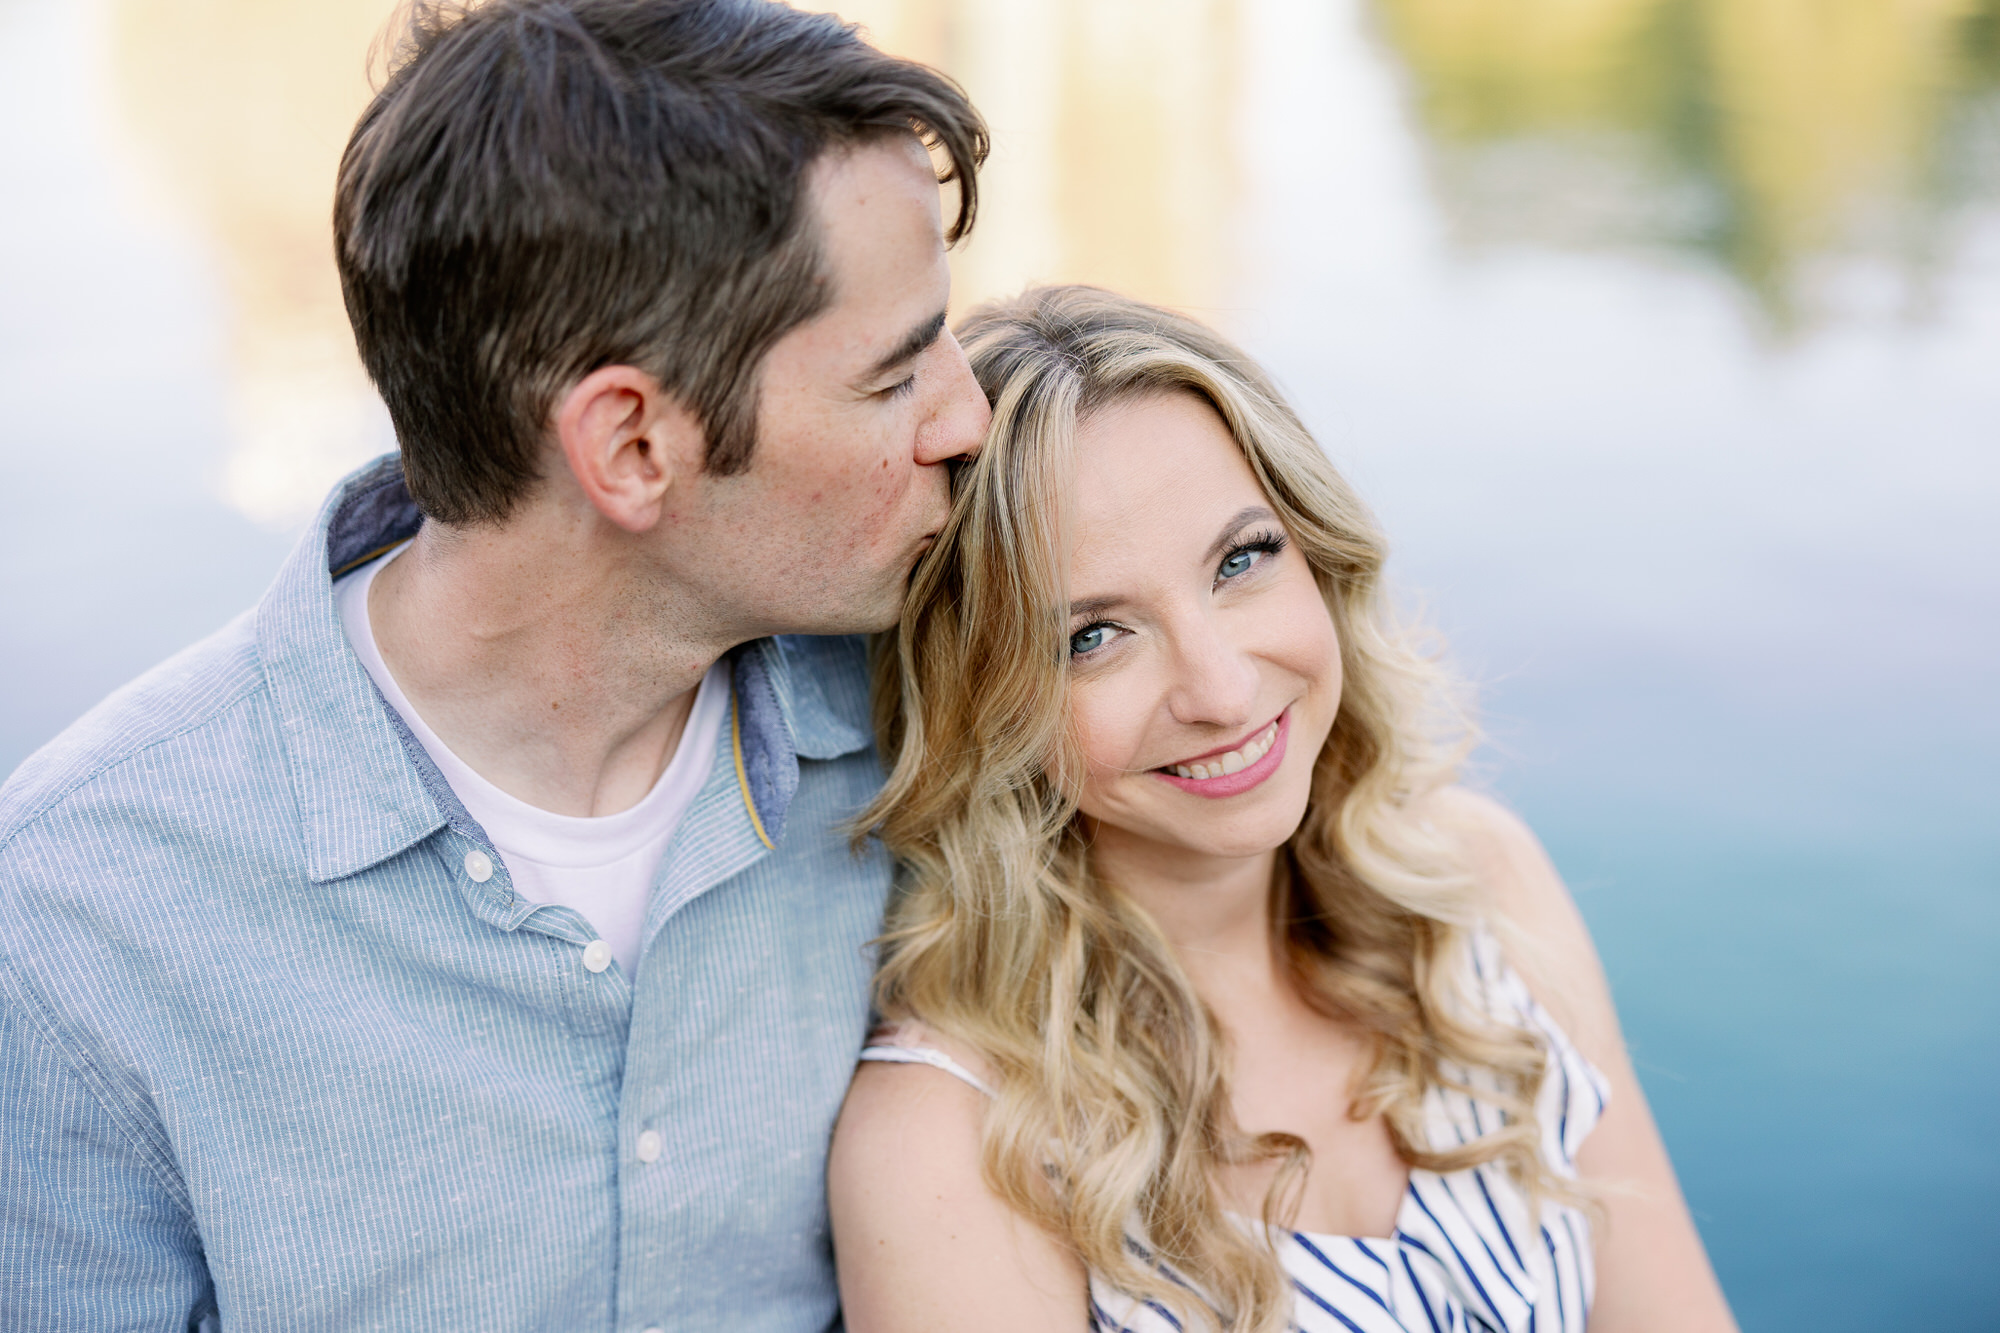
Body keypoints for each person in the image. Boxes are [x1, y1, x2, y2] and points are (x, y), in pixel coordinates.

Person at [0, 2, 988, 1328]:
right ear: (630, 447)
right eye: (894, 375)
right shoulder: (76, 922)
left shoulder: (939, 715)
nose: (968, 415)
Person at [827, 286, 1740, 1333]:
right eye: (1091, 637)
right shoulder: (949, 1146)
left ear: (1316, 549)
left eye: (1241, 560)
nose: (1219, 690)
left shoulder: (1477, 886)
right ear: (982, 703)